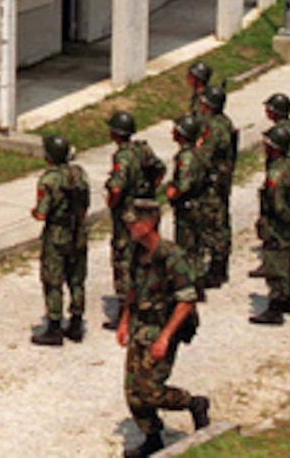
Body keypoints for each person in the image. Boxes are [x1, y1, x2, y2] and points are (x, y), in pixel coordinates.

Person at [116, 199, 210, 458]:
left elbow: (187, 300)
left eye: (134, 223)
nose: (129, 227)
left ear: (149, 224)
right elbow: (133, 290)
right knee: (133, 392)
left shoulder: (172, 256)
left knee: (150, 390)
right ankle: (153, 438)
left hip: (164, 327)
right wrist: (124, 321)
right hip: (141, 326)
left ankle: (193, 402)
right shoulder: (137, 252)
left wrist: (166, 337)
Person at [104, 111, 165, 330]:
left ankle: (125, 310)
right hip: (146, 211)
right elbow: (159, 169)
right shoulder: (144, 149)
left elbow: (117, 186)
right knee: (146, 257)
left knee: (123, 259)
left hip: (128, 216)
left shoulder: (123, 157)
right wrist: (149, 191)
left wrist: (112, 202)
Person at [30, 134, 91, 346]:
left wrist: (35, 211)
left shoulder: (48, 180)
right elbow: (85, 205)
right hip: (78, 232)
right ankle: (76, 322)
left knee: (53, 279)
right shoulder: (80, 174)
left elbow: (41, 214)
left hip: (56, 235)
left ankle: (54, 325)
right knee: (76, 278)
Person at [250, 125, 290, 325]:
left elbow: (277, 206)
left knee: (276, 263)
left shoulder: (275, 175)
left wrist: (289, 220)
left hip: (278, 226)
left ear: (274, 148)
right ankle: (289, 299)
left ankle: (275, 308)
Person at [162, 115, 210, 300]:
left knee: (186, 247)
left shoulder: (186, 157)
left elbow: (183, 184)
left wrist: (171, 193)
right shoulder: (199, 152)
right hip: (200, 204)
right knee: (197, 247)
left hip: (188, 207)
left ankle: (187, 285)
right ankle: (198, 283)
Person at [197, 85, 237, 289]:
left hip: (214, 182)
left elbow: (205, 155)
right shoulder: (224, 122)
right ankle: (218, 265)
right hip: (221, 178)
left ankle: (216, 269)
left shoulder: (215, 128)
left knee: (214, 223)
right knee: (219, 220)